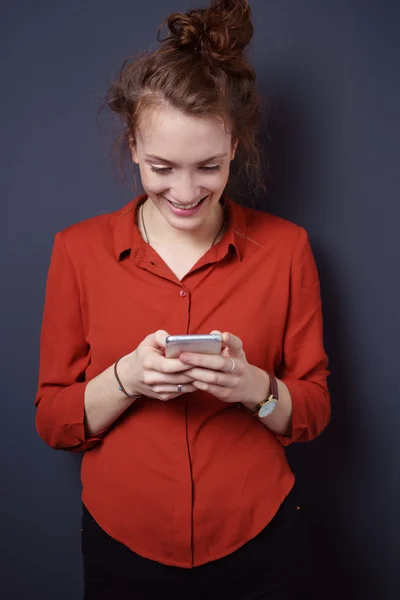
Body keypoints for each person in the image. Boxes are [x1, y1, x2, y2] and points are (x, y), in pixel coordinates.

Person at [35, 1, 330, 598]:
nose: (186, 192)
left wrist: (253, 387)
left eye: (210, 167)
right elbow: (53, 421)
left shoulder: (287, 249)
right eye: (164, 167)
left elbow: (315, 410)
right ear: (134, 147)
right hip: (123, 542)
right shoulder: (77, 251)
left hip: (261, 536)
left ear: (236, 148)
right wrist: (127, 378)